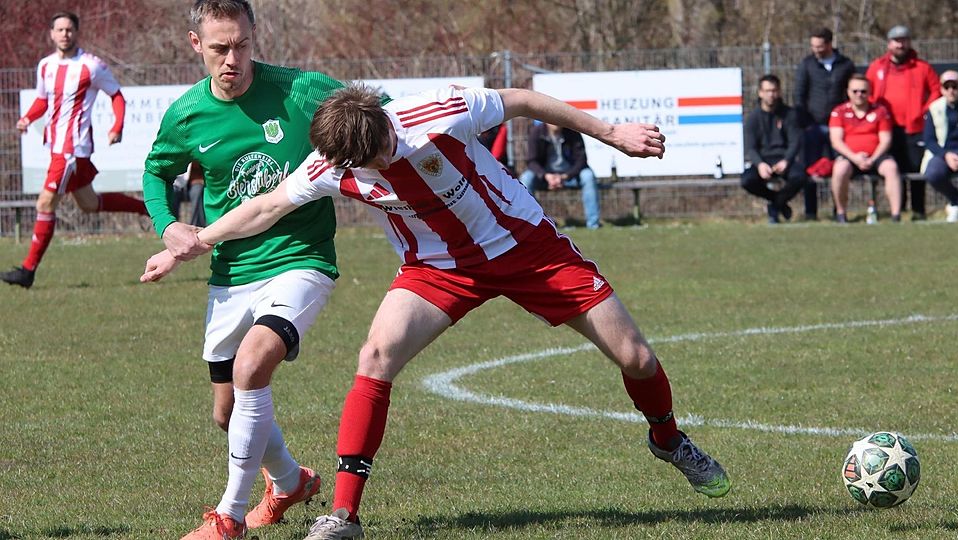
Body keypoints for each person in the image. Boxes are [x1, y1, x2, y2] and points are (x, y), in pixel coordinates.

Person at [142, 83, 732, 540]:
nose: (373, 170)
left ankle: (668, 439)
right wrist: (198, 240)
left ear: (383, 129)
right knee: (375, 355)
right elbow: (266, 207)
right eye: (360, 169)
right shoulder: (334, 164)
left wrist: (611, 133)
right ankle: (343, 514)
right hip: (437, 269)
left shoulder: (438, 113)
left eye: (377, 156)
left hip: (525, 246)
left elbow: (522, 99)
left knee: (636, 356)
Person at [140, 1, 351, 538]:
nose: (233, 58)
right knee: (226, 412)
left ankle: (227, 517)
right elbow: (155, 171)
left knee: (253, 363)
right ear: (196, 46)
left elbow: (374, 111)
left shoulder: (300, 90)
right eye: (219, 48)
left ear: (255, 37)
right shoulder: (187, 114)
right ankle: (290, 480)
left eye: (242, 45)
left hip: (301, 259)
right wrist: (168, 226)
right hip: (231, 271)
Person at [1, 11, 148, 289]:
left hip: (72, 150)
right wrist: (27, 118)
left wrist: (117, 126)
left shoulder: (91, 66)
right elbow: (43, 100)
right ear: (52, 34)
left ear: (76, 33)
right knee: (89, 204)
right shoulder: (45, 66)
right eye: (59, 29)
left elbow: (116, 95)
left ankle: (27, 271)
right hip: (56, 147)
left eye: (69, 29)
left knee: (44, 204)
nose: (64, 34)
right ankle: (146, 208)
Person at [866, 25, 940, 220]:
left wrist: (924, 111)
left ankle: (918, 210)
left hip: (914, 128)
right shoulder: (877, 67)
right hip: (885, 129)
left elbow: (936, 91)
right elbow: (868, 92)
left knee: (915, 168)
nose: (900, 44)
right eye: (896, 40)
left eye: (904, 40)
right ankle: (897, 208)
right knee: (892, 169)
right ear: (889, 44)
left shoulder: (922, 67)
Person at [794, 27, 856, 220]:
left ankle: (837, 210)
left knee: (837, 168)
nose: (816, 50)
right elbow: (799, 96)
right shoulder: (807, 65)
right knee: (811, 168)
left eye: (820, 46)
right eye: (813, 46)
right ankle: (811, 212)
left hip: (839, 128)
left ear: (829, 44)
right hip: (813, 127)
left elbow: (852, 94)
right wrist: (806, 124)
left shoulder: (845, 65)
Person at [828, 74, 902, 223]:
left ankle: (896, 215)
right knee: (839, 170)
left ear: (869, 92)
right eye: (855, 91)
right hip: (850, 157)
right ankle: (841, 213)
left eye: (863, 91)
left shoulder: (880, 111)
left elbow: (886, 140)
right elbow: (836, 141)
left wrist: (872, 158)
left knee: (891, 168)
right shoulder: (839, 111)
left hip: (876, 156)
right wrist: (855, 158)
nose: (859, 95)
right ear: (848, 92)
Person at [740, 74, 805, 224]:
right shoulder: (753, 118)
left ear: (780, 91)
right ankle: (777, 202)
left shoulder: (789, 114)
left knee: (800, 176)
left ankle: (775, 206)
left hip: (783, 159)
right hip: (763, 161)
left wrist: (786, 160)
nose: (771, 94)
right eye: (767, 91)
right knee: (747, 181)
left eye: (774, 90)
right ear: (760, 93)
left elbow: (795, 141)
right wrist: (760, 164)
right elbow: (750, 147)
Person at [520, 121, 602, 229]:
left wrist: (565, 176)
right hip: (545, 176)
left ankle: (593, 224)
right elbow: (531, 161)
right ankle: (532, 224)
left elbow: (581, 160)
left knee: (588, 176)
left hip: (570, 176)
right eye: (551, 118)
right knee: (526, 178)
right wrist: (546, 176)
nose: (555, 122)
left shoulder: (573, 133)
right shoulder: (536, 133)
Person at [921, 70, 958, 222]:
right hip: (943, 153)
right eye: (947, 86)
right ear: (942, 89)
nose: (951, 90)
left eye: (955, 86)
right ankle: (956, 200)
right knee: (934, 173)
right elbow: (929, 139)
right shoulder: (934, 108)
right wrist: (946, 155)